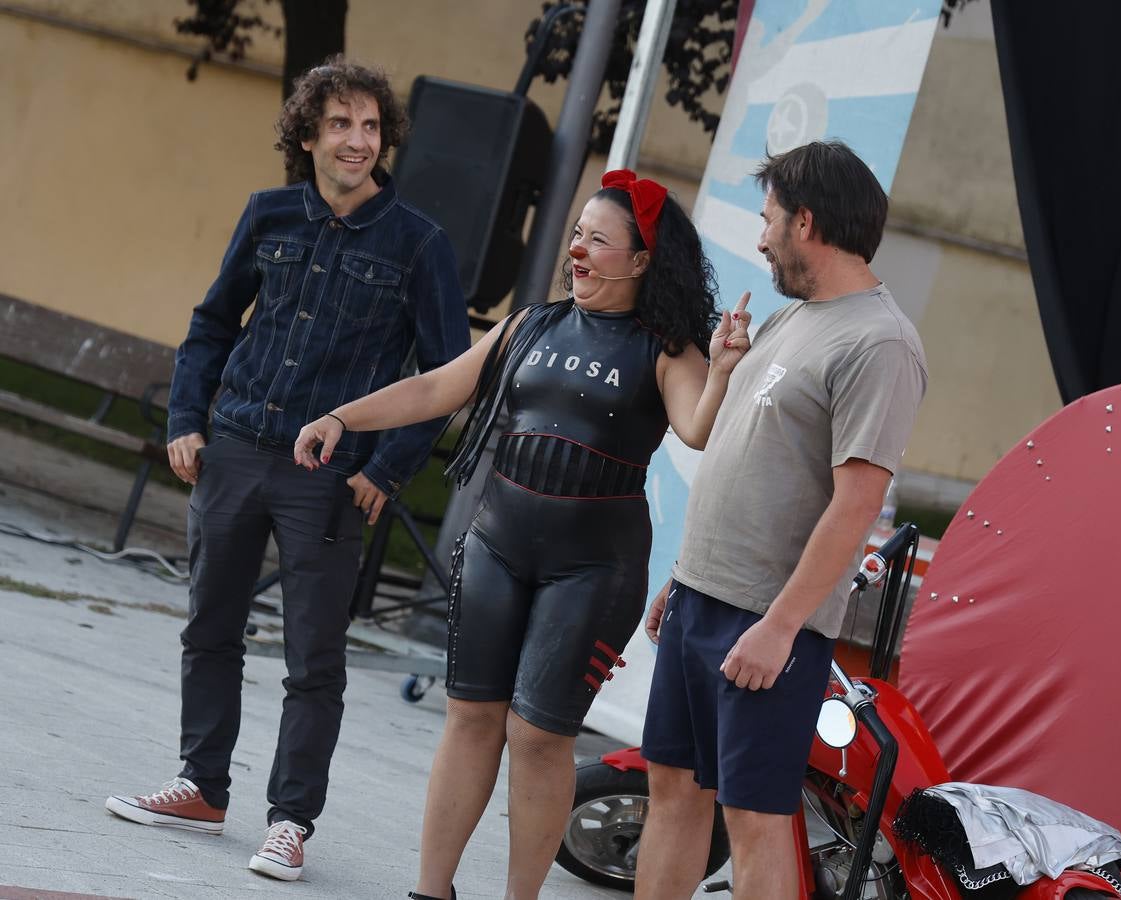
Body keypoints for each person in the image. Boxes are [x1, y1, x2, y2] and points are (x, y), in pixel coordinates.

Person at [293, 169, 749, 899]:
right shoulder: (530, 325)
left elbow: (696, 429)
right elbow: (436, 387)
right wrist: (343, 416)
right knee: (470, 716)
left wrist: (721, 371)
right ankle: (430, 890)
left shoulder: (667, 349)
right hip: (498, 546)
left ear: (639, 261)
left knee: (538, 735)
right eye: (577, 234)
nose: (577, 250)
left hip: (594, 568)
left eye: (598, 241)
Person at [103, 57, 471, 882]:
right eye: (339, 124)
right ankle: (201, 786)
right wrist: (186, 421)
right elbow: (209, 323)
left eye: (371, 127)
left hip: (330, 476)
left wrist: (388, 466)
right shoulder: (267, 215)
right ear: (307, 134)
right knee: (209, 629)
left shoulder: (420, 244)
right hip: (234, 447)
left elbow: (448, 376)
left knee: (314, 658)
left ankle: (291, 821)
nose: (356, 140)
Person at [633, 141, 929, 899]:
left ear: (806, 221)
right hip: (704, 597)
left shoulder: (881, 341)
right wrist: (684, 577)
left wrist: (781, 626)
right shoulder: (793, 318)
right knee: (670, 786)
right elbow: (746, 458)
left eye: (767, 222)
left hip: (768, 622)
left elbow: (857, 503)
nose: (759, 240)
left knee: (756, 817)